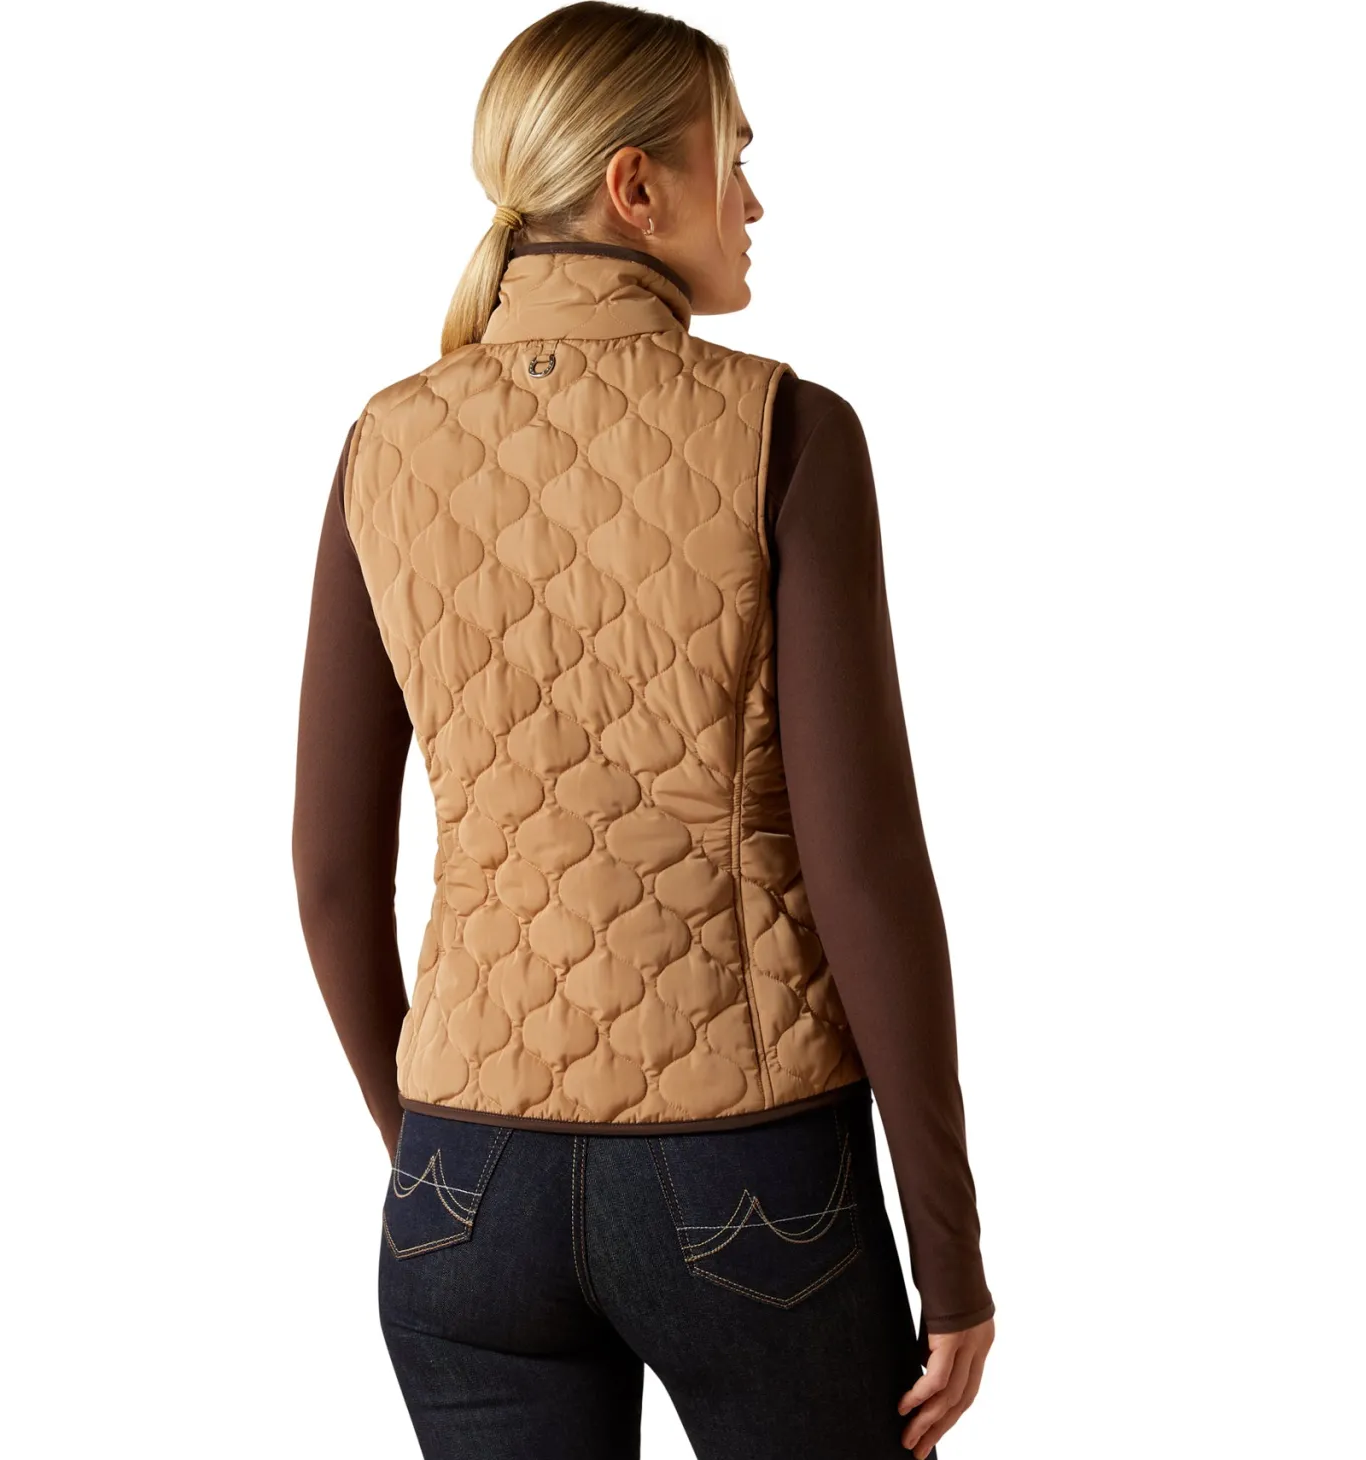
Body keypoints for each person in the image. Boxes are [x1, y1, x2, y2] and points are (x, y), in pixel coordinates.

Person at [292, 4, 995, 1456]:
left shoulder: (384, 442)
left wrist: (434, 1157)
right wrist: (952, 1254)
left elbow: (331, 873)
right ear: (634, 187)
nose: (753, 202)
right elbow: (865, 872)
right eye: (731, 159)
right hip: (751, 1186)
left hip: (463, 1195)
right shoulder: (787, 431)